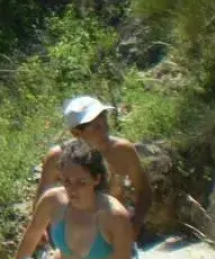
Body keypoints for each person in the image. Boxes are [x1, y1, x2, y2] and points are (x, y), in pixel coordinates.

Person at [4, 139, 133, 259]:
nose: (72, 189)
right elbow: (30, 238)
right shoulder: (52, 202)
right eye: (66, 181)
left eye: (81, 182)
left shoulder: (115, 217)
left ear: (96, 179)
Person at [36, 97, 152, 241]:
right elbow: (42, 199)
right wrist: (40, 231)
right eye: (96, 126)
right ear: (76, 133)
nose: (105, 129)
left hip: (112, 233)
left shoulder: (122, 151)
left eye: (104, 121)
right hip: (71, 235)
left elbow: (145, 192)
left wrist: (134, 227)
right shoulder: (57, 158)